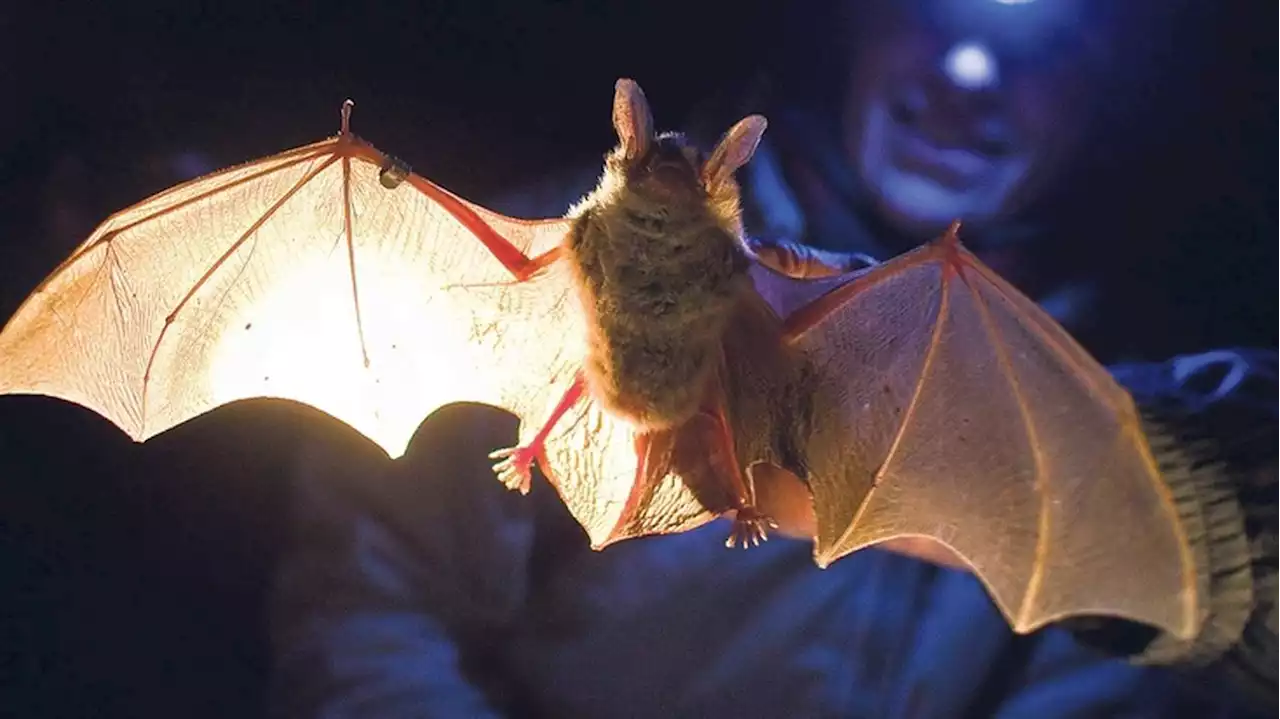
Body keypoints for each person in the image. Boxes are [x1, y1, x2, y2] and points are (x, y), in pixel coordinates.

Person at [267, 1, 1279, 716]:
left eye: (1045, 45)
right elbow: (367, 609)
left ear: (1108, 88)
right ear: (856, 26)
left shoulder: (1096, 372)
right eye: (931, 16)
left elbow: (1123, 676)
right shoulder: (588, 252)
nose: (968, 78)